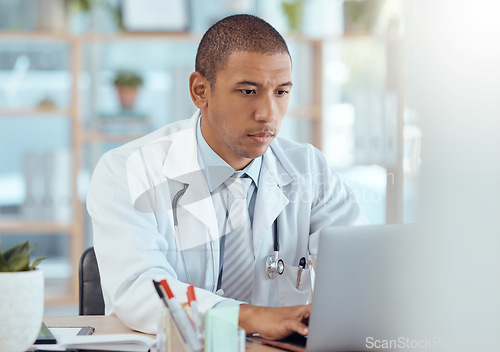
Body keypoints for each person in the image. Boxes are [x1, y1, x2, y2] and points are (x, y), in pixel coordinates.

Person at [87, 14, 366, 339]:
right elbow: (139, 290)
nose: (268, 114)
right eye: (248, 91)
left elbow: (362, 267)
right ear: (200, 91)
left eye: (281, 92)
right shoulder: (129, 171)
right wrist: (250, 318)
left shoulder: (309, 169)